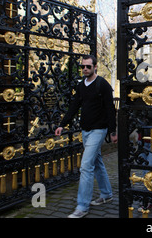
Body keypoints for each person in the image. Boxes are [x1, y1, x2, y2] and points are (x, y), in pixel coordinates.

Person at [55, 55, 117, 218]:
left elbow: (111, 109)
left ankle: (82, 206)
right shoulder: (81, 86)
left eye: (88, 67)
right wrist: (62, 124)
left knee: (86, 166)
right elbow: (74, 106)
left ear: (95, 67)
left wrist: (113, 131)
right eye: (82, 66)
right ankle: (107, 194)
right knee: (97, 162)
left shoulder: (102, 84)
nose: (85, 69)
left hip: (99, 130)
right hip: (86, 131)